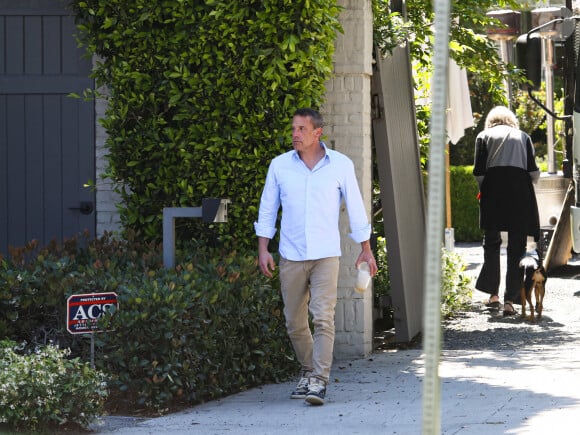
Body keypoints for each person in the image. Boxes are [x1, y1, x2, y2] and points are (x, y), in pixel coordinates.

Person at [254, 108, 377, 405]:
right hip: (291, 255)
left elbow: (356, 206)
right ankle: (308, 371)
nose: (295, 134)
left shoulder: (341, 165)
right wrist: (263, 247)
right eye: (293, 129)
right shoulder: (280, 166)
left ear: (317, 132)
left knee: (323, 317)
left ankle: (319, 381)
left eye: (301, 129)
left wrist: (366, 248)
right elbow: (268, 208)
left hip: (325, 255)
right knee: (294, 322)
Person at [473, 105, 540, 316]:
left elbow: (479, 172)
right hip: (519, 193)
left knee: (491, 243)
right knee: (517, 247)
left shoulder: (483, 136)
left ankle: (492, 295)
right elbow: (533, 171)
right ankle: (511, 300)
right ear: (511, 120)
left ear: (491, 121)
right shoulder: (523, 137)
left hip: (493, 192)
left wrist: (486, 189)